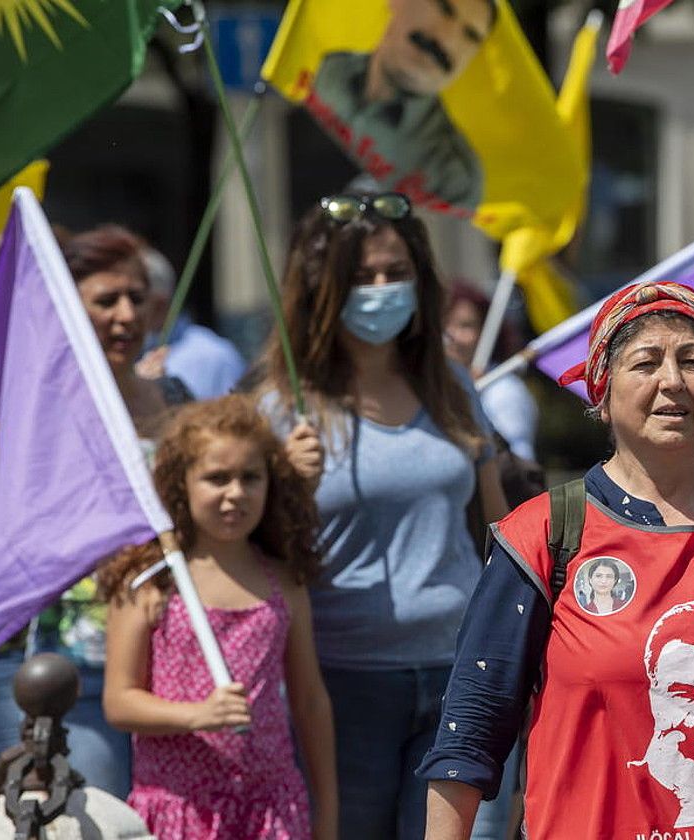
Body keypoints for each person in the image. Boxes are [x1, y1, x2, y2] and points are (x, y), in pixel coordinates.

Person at [417, 281, 694, 839]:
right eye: (646, 362)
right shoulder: (540, 535)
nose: (673, 381)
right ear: (601, 394)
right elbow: (470, 730)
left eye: (693, 361)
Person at [262, 191, 508, 839]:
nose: (380, 290)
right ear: (323, 286)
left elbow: (501, 533)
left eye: (395, 273)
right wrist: (286, 485)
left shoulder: (452, 387)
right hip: (342, 687)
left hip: (462, 677)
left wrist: (518, 651)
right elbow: (254, 561)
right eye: (361, 276)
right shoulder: (279, 406)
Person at [0, 224, 194, 797]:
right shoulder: (35, 411)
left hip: (174, 668)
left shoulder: (177, 398)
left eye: (136, 297)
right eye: (106, 300)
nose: (127, 314)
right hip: (73, 667)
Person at [99, 396, 337, 840]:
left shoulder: (284, 582)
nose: (235, 493)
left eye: (251, 478)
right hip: (179, 809)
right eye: (216, 478)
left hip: (270, 808)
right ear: (180, 484)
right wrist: (197, 715)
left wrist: (328, 809)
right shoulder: (151, 583)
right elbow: (119, 700)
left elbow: (309, 701)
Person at [308, 0, 495, 212]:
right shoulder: (323, 70)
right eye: (443, 8)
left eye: (471, 35)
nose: (447, 39)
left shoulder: (455, 176)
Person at [136, 245, 247, 400]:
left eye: (135, 298)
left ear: (160, 303)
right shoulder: (121, 356)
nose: (123, 312)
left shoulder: (213, 357)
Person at [443, 279, 539, 460]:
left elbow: (517, 463)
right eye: (445, 324)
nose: (452, 335)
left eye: (465, 326)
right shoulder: (426, 386)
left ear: (484, 332)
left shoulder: (505, 391)